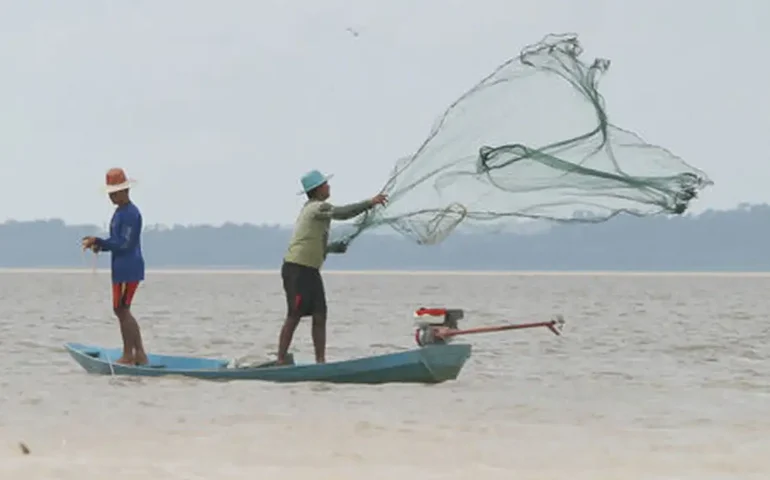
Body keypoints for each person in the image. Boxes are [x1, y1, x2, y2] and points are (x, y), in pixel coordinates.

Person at [277, 169, 387, 365]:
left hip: (311, 270)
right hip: (296, 269)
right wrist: (370, 203)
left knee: (320, 314)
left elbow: (313, 242)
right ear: (317, 189)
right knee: (295, 313)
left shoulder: (317, 210)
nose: (328, 187)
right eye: (325, 185)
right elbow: (343, 213)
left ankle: (321, 362)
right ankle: (281, 359)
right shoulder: (317, 207)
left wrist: (332, 248)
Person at [81, 168, 147, 366]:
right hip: (120, 268)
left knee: (122, 309)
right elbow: (116, 241)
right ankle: (138, 354)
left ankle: (131, 354)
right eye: (110, 193)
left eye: (115, 193)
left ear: (125, 191)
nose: (111, 197)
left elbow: (125, 244)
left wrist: (99, 241)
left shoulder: (131, 214)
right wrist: (100, 246)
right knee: (121, 309)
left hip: (129, 268)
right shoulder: (119, 213)